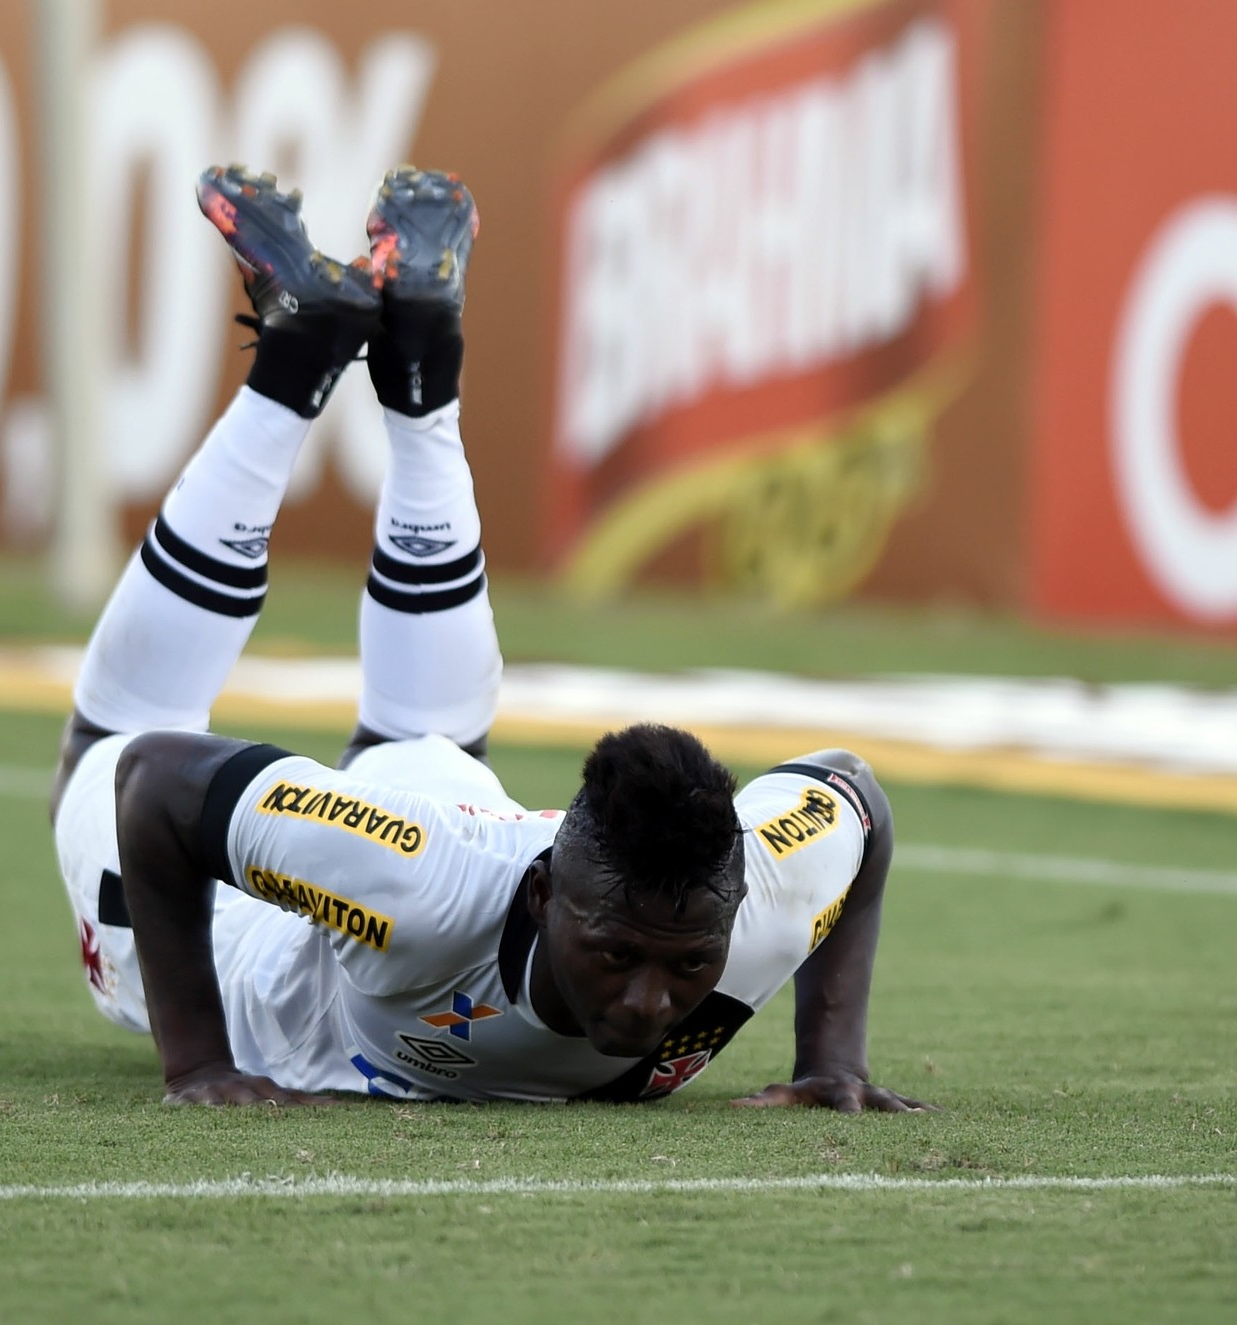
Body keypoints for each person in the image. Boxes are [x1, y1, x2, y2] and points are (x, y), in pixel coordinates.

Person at [48, 163, 930, 1111]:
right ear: (547, 896)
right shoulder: (411, 888)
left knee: (421, 736)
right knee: (113, 744)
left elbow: (856, 799)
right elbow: (155, 784)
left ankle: (407, 377)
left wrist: (830, 1064)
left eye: (690, 965)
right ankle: (300, 381)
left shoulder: (757, 899)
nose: (647, 1003)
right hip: (276, 914)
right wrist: (200, 1065)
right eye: (619, 954)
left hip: (437, 824)